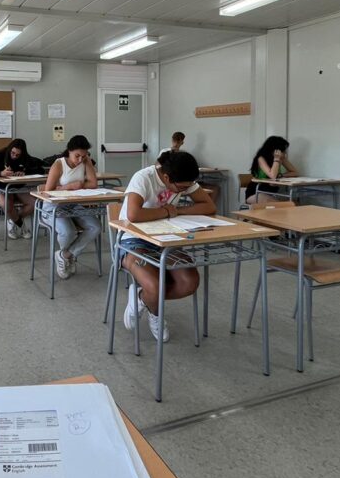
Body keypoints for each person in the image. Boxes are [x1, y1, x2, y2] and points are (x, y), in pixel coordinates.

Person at [120, 151, 216, 342]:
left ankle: (142, 297)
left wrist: (177, 210)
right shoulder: (144, 178)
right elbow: (133, 214)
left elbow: (209, 206)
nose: (183, 191)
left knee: (189, 283)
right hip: (133, 240)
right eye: (181, 188)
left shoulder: (183, 179)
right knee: (155, 286)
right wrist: (165, 211)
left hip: (167, 238)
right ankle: (156, 312)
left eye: (187, 187)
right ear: (166, 177)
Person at [44, 135, 101, 279]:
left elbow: (93, 184)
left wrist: (80, 184)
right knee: (68, 231)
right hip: (54, 206)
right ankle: (66, 257)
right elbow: (48, 191)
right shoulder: (59, 164)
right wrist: (69, 187)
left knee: (95, 227)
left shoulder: (86, 161)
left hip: (74, 205)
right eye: (77, 156)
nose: (80, 159)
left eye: (84, 156)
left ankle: (65, 255)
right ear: (69, 151)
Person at [0, 138, 43, 239]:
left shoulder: (25, 157)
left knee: (34, 203)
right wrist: (1, 173)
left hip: (18, 188)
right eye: (13, 153)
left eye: (17, 155)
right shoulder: (0, 155)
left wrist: (25, 172)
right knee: (6, 204)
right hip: (0, 188)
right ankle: (21, 225)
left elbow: (40, 169)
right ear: (9, 149)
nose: (14, 156)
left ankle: (12, 220)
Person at [245, 136, 298, 204]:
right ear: (275, 150)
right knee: (280, 205)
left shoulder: (281, 158)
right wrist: (276, 159)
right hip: (256, 191)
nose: (285, 152)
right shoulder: (261, 158)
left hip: (272, 192)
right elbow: (272, 176)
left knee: (294, 203)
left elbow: (295, 172)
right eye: (283, 150)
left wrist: (281, 175)